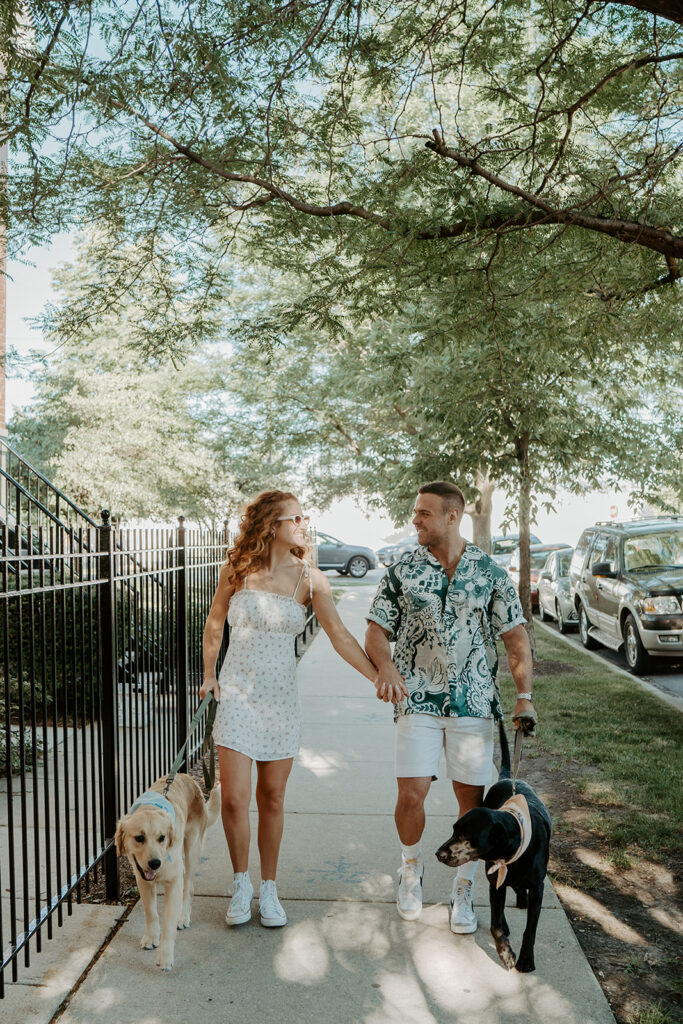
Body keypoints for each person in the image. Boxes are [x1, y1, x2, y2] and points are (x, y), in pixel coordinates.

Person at [200, 489, 381, 930]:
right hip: (237, 694)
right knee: (235, 799)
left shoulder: (310, 580)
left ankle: (270, 888)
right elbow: (214, 622)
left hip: (280, 699)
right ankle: (241, 883)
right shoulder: (237, 570)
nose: (303, 524)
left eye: (303, 517)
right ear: (272, 525)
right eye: (295, 518)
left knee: (273, 799)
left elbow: (338, 635)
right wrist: (209, 675)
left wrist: (377, 676)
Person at [365, 481, 535, 934]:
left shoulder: (490, 573)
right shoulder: (403, 571)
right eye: (415, 512)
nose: (415, 520)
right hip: (417, 696)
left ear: (453, 515)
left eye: (424, 513)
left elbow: (515, 638)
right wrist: (385, 667)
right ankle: (410, 868)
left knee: (470, 802)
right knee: (411, 793)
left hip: (474, 703)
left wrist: (524, 696)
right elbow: (376, 631)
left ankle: (463, 886)